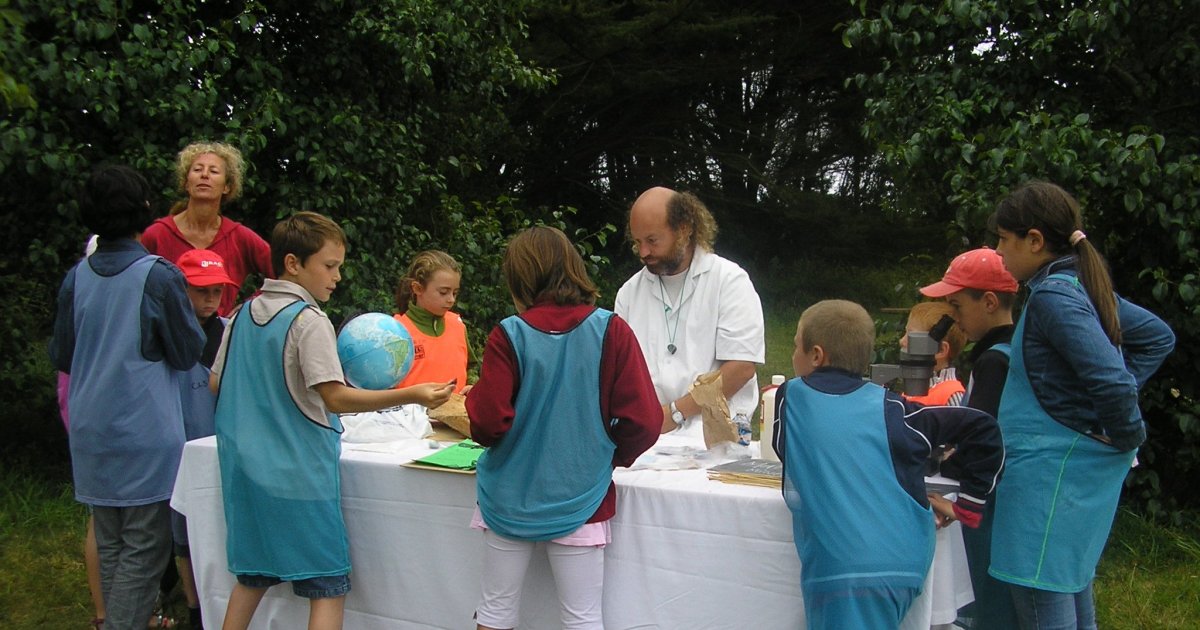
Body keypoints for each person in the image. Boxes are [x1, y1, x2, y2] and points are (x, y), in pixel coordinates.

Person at [210, 211, 454, 630]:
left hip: (246, 476)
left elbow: (217, 383)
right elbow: (335, 397)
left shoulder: (239, 316)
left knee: (251, 577)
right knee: (327, 587)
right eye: (329, 265)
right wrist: (412, 393)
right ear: (293, 263)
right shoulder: (308, 320)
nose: (337, 276)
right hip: (300, 479)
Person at [987, 182, 1174, 629]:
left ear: (1034, 240)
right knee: (1070, 587)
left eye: (1004, 239)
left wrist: (1123, 435)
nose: (998, 251)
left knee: (1041, 595)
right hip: (1064, 473)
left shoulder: (1054, 296)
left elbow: (1112, 380)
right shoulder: (1079, 285)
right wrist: (1091, 414)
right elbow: (1157, 337)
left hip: (1048, 475)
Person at [466, 226, 661, 630]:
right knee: (583, 618)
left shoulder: (509, 334)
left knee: (495, 611)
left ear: (520, 276)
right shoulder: (612, 330)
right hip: (582, 496)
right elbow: (645, 420)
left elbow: (487, 423)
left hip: (510, 494)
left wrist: (475, 398)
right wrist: (607, 455)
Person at [771, 299, 1003, 629]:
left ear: (817, 356)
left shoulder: (792, 396)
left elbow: (785, 449)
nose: (794, 354)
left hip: (844, 568)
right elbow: (983, 427)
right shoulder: (894, 409)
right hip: (906, 561)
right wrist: (969, 504)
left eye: (797, 346)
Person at [49, 164, 205, 630]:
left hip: (91, 430)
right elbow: (187, 351)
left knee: (113, 543)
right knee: (145, 549)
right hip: (143, 433)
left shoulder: (76, 278)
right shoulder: (158, 276)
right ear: (145, 210)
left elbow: (63, 353)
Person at [920, 246, 1021, 629]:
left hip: (990, 500)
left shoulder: (994, 361)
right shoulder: (1011, 348)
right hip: (1002, 491)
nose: (954, 317)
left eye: (957, 306)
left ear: (989, 302)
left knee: (990, 601)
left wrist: (958, 504)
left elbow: (983, 438)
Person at [614, 187, 765, 439]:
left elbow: (740, 368)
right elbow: (621, 374)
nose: (643, 252)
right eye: (638, 242)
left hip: (716, 441)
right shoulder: (629, 294)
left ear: (684, 229)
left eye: (652, 240)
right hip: (648, 439)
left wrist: (674, 413)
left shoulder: (729, 281)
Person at [171, 248, 239, 630]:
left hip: (224, 445)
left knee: (220, 525)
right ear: (182, 289)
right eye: (201, 291)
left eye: (217, 291)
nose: (211, 299)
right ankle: (195, 608)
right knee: (183, 531)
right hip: (180, 442)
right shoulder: (169, 334)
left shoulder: (230, 330)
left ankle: (222, 598)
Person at [141, 141, 272, 316]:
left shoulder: (239, 237)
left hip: (221, 332)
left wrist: (248, 309)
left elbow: (283, 276)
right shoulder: (156, 234)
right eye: (197, 169)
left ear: (227, 187)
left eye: (214, 171)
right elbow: (132, 284)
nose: (204, 175)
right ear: (186, 183)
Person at [393, 250, 471, 393]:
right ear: (417, 288)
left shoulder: (458, 325)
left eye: (455, 293)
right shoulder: (395, 331)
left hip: (456, 407)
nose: (451, 299)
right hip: (408, 408)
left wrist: (473, 389)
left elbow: (470, 371)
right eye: (443, 292)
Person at [901, 301, 967, 406]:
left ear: (940, 350)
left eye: (912, 336)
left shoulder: (951, 394)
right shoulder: (910, 391)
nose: (902, 341)